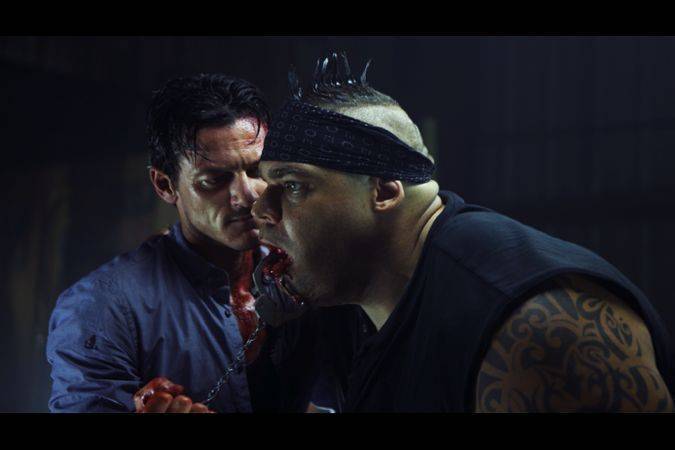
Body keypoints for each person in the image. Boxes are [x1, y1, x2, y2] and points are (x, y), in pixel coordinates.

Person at [250, 52, 675, 412]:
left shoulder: (531, 327)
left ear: (384, 191)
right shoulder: (358, 305)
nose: (261, 209)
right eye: (267, 184)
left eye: (293, 186)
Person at [47, 74, 293, 413]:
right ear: (165, 185)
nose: (248, 195)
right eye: (214, 180)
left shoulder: (303, 274)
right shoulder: (101, 306)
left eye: (257, 170)